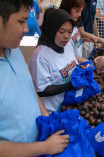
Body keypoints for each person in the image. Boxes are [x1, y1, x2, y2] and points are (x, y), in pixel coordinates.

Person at [0, 0, 70, 156]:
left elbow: (29, 88)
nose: (26, 28)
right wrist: (45, 147)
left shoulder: (14, 50)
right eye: (21, 21)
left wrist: (48, 118)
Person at [29, 8, 87, 113]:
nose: (66, 36)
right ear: (51, 29)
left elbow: (70, 63)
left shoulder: (67, 45)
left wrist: (79, 69)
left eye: (70, 32)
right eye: (61, 31)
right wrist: (71, 85)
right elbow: (41, 90)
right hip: (52, 112)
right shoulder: (40, 56)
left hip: (69, 103)